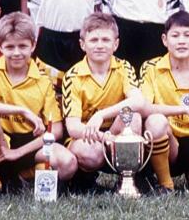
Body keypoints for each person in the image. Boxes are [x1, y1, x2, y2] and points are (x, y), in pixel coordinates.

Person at [0, 13, 75, 197]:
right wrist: (22, 111)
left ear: (33, 45)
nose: (16, 53)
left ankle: (22, 178)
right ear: (0, 46)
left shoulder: (43, 78)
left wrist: (18, 152)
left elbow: (57, 130)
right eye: (10, 47)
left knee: (68, 162)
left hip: (29, 143)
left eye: (23, 46)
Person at [136, 11, 189, 194]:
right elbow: (143, 108)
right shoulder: (150, 68)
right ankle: (166, 184)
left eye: (187, 35)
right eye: (175, 35)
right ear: (165, 40)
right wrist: (184, 110)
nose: (181, 41)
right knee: (156, 121)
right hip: (166, 143)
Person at [62, 14, 145, 192]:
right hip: (88, 138)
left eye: (106, 40)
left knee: (133, 117)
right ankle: (84, 178)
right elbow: (73, 127)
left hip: (116, 130)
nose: (100, 45)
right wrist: (104, 137)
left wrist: (101, 115)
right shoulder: (72, 76)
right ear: (82, 44)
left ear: (116, 44)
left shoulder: (124, 67)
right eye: (94, 40)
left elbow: (138, 101)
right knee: (91, 153)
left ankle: (127, 177)